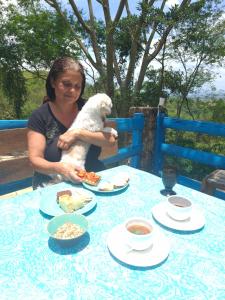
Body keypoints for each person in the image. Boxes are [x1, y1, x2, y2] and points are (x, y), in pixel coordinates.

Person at [27, 57, 117, 189]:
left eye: (77, 86)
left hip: (90, 181)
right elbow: (34, 160)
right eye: (66, 84)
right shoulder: (40, 116)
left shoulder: (90, 108)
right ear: (53, 82)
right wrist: (61, 168)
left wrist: (77, 133)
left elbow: (110, 141)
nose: (72, 91)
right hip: (52, 185)